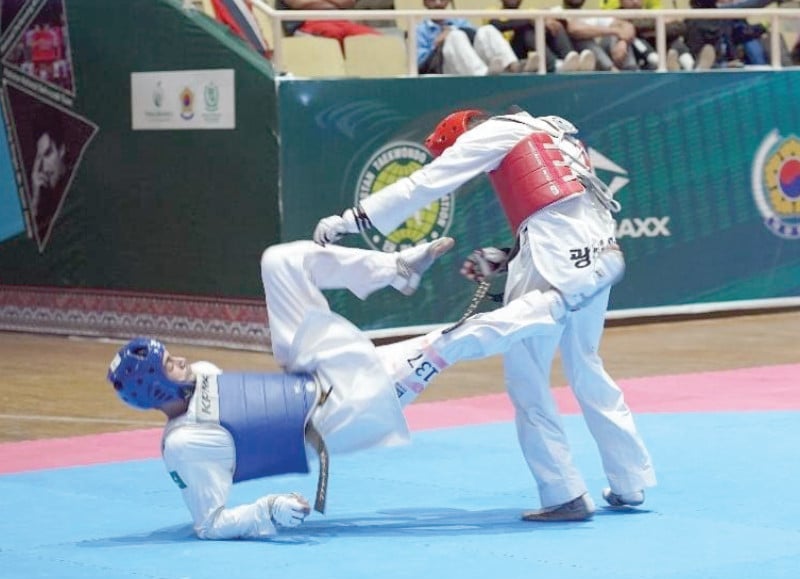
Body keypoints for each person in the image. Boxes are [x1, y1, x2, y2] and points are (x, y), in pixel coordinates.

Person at [108, 234, 625, 538]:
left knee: (280, 262)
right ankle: (555, 305)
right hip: (338, 420)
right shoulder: (186, 446)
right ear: (155, 389)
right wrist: (265, 511)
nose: (177, 358)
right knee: (452, 341)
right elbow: (210, 523)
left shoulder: (198, 374)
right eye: (166, 362)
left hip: (313, 376)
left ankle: (395, 268)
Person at [313, 107, 656, 520]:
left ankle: (563, 491)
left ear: (460, 137)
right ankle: (629, 480)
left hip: (554, 260)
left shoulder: (491, 133)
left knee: (527, 376)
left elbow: (426, 184)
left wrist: (352, 220)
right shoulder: (550, 127)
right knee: (586, 366)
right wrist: (510, 256)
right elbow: (566, 208)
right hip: (598, 251)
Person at [417, 0, 537, 75]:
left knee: (487, 30)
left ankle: (513, 67)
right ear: (425, 2)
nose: (438, 3)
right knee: (455, 36)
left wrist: (452, 29)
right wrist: (438, 43)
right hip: (443, 68)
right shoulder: (419, 29)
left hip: (466, 67)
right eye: (432, 0)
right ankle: (483, 75)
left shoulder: (459, 22)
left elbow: (479, 39)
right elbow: (420, 64)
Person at [486, 0, 597, 72]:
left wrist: (548, 20)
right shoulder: (491, 11)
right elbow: (498, 25)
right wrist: (532, 20)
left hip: (529, 55)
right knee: (526, 30)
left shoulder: (530, 11)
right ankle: (555, 65)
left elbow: (560, 22)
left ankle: (572, 60)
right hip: (510, 56)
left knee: (556, 24)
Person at [552, 0, 639, 71]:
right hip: (573, 59)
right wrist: (615, 31)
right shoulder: (555, 11)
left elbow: (628, 26)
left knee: (617, 37)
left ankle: (632, 71)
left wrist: (622, 42)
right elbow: (574, 30)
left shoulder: (591, 14)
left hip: (600, 60)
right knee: (584, 38)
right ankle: (612, 71)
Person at [276, 0, 381, 49]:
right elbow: (299, 2)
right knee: (332, 33)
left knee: (372, 38)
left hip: (342, 20)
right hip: (308, 20)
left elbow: (347, 1)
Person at [29, 123, 68, 247]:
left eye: (48, 153)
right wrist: (35, 199)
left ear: (61, 150)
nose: (43, 167)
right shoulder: (46, 197)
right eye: (39, 158)